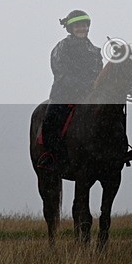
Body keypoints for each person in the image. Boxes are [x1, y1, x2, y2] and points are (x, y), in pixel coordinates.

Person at [36, 10, 104, 171]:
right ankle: (50, 154)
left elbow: (99, 73)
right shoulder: (62, 47)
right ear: (71, 28)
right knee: (51, 118)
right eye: (78, 25)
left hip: (90, 96)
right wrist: (84, 86)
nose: (82, 28)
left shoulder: (95, 51)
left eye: (84, 25)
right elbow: (61, 73)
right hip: (64, 95)